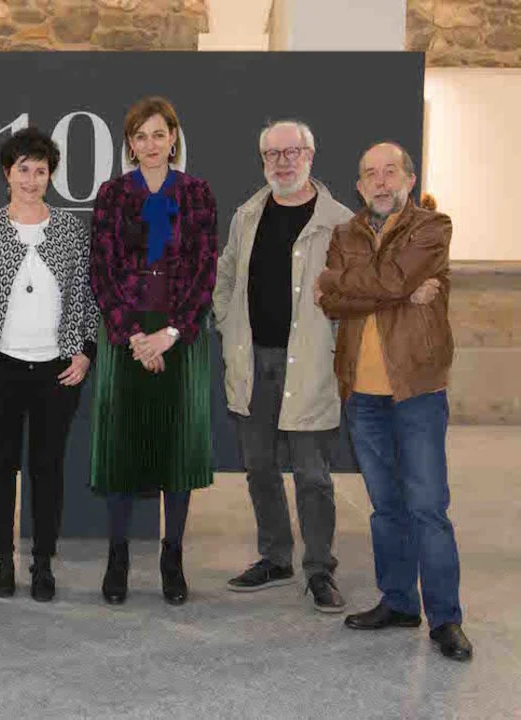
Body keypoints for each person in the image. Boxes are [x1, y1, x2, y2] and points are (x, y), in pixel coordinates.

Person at [315, 141, 472, 661]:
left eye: (389, 172)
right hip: (362, 395)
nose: (380, 182)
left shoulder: (433, 227)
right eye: (370, 174)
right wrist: (400, 291)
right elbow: (331, 300)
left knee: (427, 506)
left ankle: (446, 618)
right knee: (386, 507)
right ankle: (400, 602)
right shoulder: (344, 234)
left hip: (417, 390)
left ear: (409, 179)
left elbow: (382, 280)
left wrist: (354, 282)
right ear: (359, 186)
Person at [0, 127, 97, 602]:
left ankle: (43, 563)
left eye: (41, 170)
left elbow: (87, 298)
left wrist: (85, 352)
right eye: (23, 169)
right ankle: (2, 559)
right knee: (0, 465)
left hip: (57, 371)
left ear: (51, 176)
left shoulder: (71, 231)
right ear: (7, 174)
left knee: (48, 468)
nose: (32, 180)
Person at [213, 120, 353, 612]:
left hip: (310, 365)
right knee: (259, 467)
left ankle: (319, 569)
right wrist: (227, 322)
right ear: (262, 161)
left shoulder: (340, 222)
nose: (283, 162)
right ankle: (275, 557)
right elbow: (226, 276)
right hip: (254, 362)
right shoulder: (247, 215)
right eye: (273, 154)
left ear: (310, 155)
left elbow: (353, 294)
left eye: (292, 152)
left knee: (312, 474)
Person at [89, 96, 217, 605]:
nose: (150, 144)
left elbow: (206, 270)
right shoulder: (113, 194)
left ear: (174, 138)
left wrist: (172, 333)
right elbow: (102, 271)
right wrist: (135, 337)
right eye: (140, 136)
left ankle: (173, 559)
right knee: (121, 447)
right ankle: (117, 558)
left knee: (176, 449)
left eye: (159, 134)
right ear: (129, 143)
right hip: (126, 335)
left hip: (179, 335)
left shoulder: (198, 193)